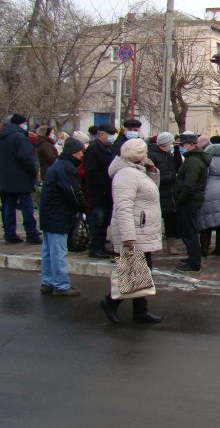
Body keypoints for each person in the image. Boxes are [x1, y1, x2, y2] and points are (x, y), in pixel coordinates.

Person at [99, 138, 162, 324]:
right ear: (139, 155)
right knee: (135, 270)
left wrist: (151, 171)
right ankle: (110, 301)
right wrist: (128, 237)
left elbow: (149, 192)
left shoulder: (136, 171)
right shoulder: (125, 174)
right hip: (134, 229)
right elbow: (123, 207)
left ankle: (140, 310)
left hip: (141, 228)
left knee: (142, 269)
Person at [39, 137, 87, 297]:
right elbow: (73, 192)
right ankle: (61, 285)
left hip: (49, 213)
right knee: (58, 251)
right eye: (81, 151)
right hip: (58, 215)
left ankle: (48, 282)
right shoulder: (66, 168)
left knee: (48, 251)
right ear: (74, 152)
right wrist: (83, 206)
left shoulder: (58, 166)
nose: (82, 155)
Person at [0, 114, 41, 244]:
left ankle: (9, 233)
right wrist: (32, 173)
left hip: (5, 178)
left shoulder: (3, 136)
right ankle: (31, 234)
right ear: (21, 124)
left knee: (8, 206)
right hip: (21, 177)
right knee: (27, 206)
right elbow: (26, 158)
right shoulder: (20, 137)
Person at [174, 132, 211, 272]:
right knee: (189, 230)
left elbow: (190, 185)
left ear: (192, 145)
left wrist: (180, 200)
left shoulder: (193, 161)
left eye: (183, 145)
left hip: (189, 201)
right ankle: (192, 257)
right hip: (191, 199)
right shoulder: (192, 159)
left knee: (190, 232)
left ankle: (194, 261)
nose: (181, 148)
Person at [83, 123, 117, 258]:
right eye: (110, 134)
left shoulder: (109, 148)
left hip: (107, 192)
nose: (112, 137)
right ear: (102, 134)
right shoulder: (93, 149)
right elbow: (91, 171)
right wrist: (104, 184)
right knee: (97, 221)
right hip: (98, 192)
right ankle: (95, 248)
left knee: (104, 222)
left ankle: (101, 246)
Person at [147, 132, 181, 255]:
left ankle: (171, 245)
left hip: (171, 194)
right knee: (155, 221)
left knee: (171, 220)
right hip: (159, 192)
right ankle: (152, 245)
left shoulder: (170, 155)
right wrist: (169, 178)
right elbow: (152, 174)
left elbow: (178, 167)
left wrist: (177, 150)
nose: (172, 145)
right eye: (171, 143)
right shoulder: (152, 155)